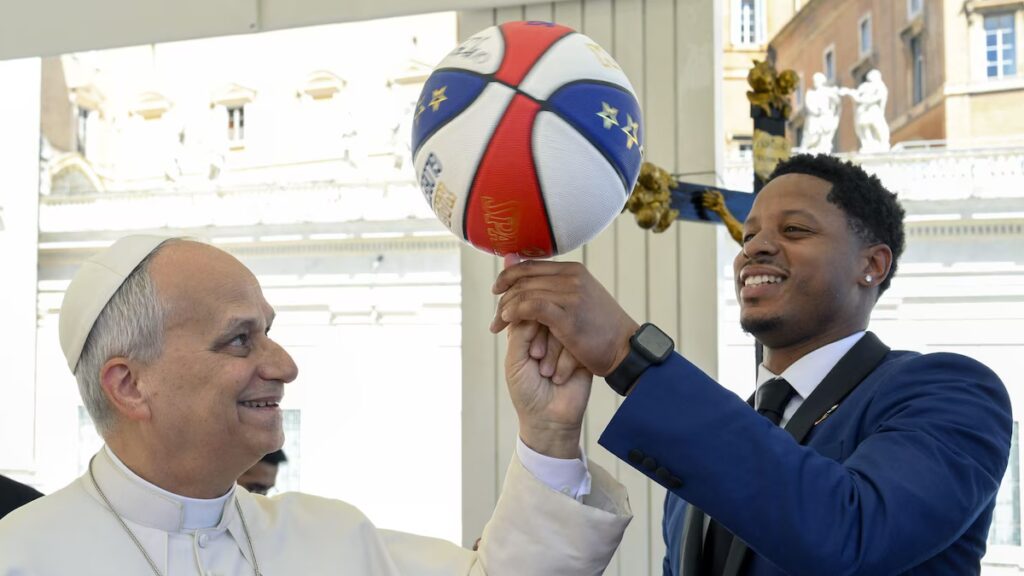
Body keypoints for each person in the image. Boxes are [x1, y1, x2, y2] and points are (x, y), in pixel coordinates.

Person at [490, 153, 1012, 575]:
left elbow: (850, 536)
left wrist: (631, 354)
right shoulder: (708, 444)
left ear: (870, 265)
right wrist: (551, 438)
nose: (756, 247)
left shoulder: (949, 392)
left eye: (796, 231)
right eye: (749, 236)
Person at [0, 236, 631, 575]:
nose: (284, 366)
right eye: (240, 338)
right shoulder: (21, 557)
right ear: (129, 385)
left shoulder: (333, 540)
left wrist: (548, 432)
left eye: (269, 331)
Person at [841, 69, 890, 153]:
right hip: (863, 111)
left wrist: (865, 100)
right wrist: (848, 92)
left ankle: (882, 143)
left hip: (873, 110)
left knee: (877, 126)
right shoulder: (864, 86)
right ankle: (868, 144)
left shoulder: (880, 86)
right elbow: (857, 94)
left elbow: (879, 97)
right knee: (864, 126)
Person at [800, 72, 841, 154]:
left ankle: (823, 150)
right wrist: (815, 111)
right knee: (812, 134)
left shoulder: (828, 91)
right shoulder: (810, 93)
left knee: (825, 135)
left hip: (825, 116)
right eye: (814, 80)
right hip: (814, 117)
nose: (815, 82)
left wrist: (834, 97)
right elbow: (808, 104)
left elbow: (837, 102)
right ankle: (807, 149)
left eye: (817, 80)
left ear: (822, 81)